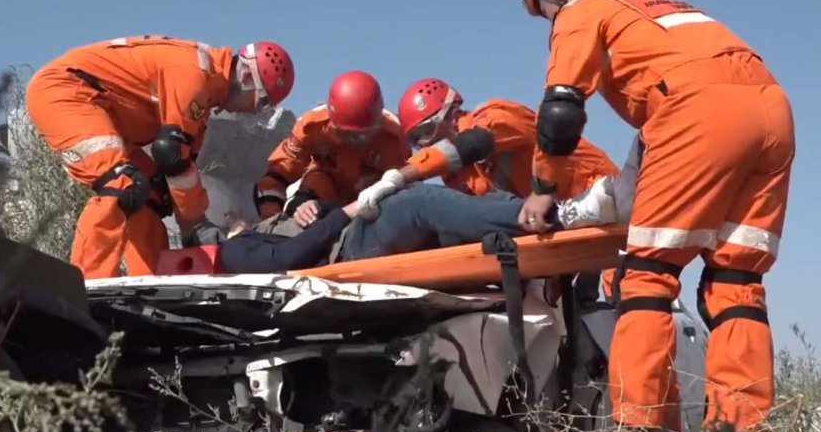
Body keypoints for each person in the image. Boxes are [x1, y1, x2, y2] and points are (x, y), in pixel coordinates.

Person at [517, 0, 795, 432]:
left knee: (647, 272)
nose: (549, 22)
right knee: (737, 280)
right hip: (771, 110)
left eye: (544, 12)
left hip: (696, 109)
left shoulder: (583, 8)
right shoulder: (660, 11)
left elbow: (561, 110)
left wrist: (543, 189)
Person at [25, 35, 295, 279]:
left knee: (154, 193)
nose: (254, 112)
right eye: (261, 102)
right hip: (67, 93)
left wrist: (192, 224)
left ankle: (148, 282)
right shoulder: (194, 74)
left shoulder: (207, 94)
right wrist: (195, 225)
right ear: (246, 77)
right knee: (121, 184)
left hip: (103, 110)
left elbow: (182, 168)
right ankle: (86, 284)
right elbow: (170, 153)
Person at [353, 77, 619, 223]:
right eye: (415, 140)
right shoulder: (461, 176)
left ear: (452, 114)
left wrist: (397, 177)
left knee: (624, 281)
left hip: (599, 192)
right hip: (555, 218)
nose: (424, 144)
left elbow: (473, 144)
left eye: (426, 132)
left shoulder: (496, 114)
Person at [220, 183, 541, 274]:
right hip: (348, 249)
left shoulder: (262, 230)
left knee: (448, 214)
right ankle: (532, 216)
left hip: (350, 236)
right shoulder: (234, 249)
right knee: (420, 203)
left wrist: (318, 207)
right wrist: (344, 212)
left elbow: (317, 226)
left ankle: (526, 210)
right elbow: (285, 259)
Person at [253, 70, 411, 220]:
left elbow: (405, 190)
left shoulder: (395, 138)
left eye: (361, 136)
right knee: (318, 179)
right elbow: (278, 174)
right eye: (345, 134)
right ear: (331, 119)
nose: (353, 142)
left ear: (378, 125)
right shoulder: (312, 126)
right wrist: (273, 218)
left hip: (371, 205)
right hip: (322, 194)